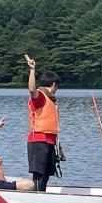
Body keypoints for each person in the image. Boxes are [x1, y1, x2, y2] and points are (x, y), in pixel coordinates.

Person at [25, 54, 61, 192]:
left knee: (46, 174)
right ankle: (37, 197)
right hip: (38, 140)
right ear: (53, 85)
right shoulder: (40, 96)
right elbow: (32, 90)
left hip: (50, 141)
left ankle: (42, 195)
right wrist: (32, 70)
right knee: (39, 174)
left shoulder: (51, 99)